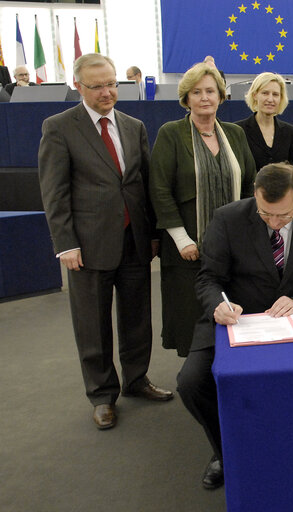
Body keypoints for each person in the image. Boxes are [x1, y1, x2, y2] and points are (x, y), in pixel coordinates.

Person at [177, 163, 293, 489]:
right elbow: (209, 278)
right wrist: (218, 304)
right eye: (265, 214)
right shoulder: (228, 218)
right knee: (191, 382)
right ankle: (225, 450)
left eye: (283, 216)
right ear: (255, 195)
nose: (274, 223)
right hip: (234, 319)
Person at [38, 53, 173, 430]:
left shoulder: (134, 126)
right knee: (92, 324)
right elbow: (54, 192)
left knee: (137, 318)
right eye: (97, 86)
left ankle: (136, 379)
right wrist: (65, 243)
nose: (107, 92)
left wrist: (154, 236)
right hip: (88, 245)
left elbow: (146, 185)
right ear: (79, 87)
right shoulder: (59, 127)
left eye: (112, 83)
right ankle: (101, 395)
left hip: (135, 241)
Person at [149, 63, 256, 358]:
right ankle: (196, 371)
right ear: (186, 98)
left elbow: (249, 185)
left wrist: (248, 232)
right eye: (196, 92)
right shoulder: (171, 133)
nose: (204, 97)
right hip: (188, 245)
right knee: (190, 313)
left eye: (210, 91)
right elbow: (159, 189)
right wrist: (181, 239)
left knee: (233, 307)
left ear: (221, 96)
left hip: (232, 244)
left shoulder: (235, 134)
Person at [234, 72, 293, 170]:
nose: (270, 99)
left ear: (281, 98)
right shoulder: (239, 130)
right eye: (265, 93)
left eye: (275, 94)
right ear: (255, 95)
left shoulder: (289, 131)